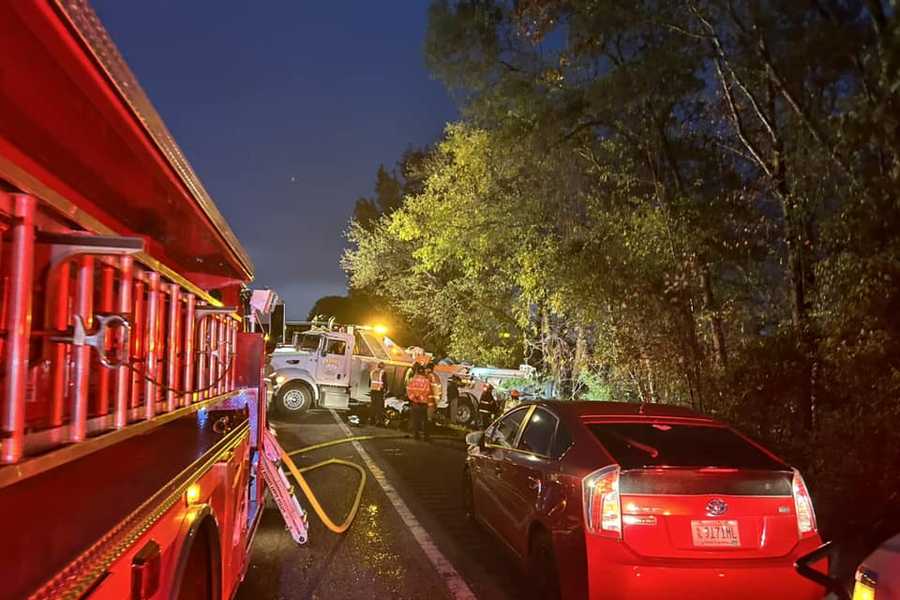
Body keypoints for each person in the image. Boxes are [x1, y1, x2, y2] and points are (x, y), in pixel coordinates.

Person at [406, 365, 433, 441]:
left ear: (417, 371)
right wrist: (421, 397)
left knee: (415, 420)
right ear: (423, 372)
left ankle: (416, 435)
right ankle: (426, 436)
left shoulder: (412, 380)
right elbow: (428, 391)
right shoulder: (426, 381)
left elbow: (408, 390)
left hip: (415, 403)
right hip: (424, 403)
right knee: (425, 420)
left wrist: (414, 398)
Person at [368, 362, 386, 426]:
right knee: (379, 407)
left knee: (373, 405)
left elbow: (370, 382)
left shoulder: (372, 372)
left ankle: (371, 420)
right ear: (383, 366)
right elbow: (384, 382)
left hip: (373, 390)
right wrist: (385, 389)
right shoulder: (383, 372)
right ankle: (379, 421)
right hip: (379, 391)